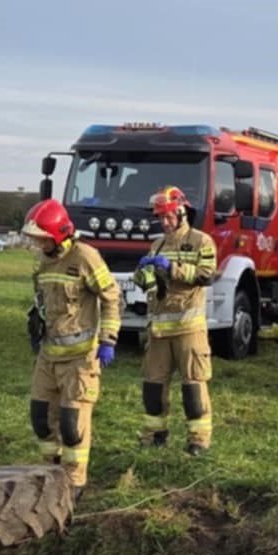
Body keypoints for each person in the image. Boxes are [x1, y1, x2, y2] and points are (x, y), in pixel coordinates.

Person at [21, 198, 120, 499]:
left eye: (41, 238)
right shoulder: (44, 261)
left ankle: (75, 483)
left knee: (72, 425)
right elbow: (44, 299)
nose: (38, 243)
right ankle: (51, 472)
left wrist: (108, 340)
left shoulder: (85, 257)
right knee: (41, 418)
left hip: (80, 358)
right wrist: (36, 319)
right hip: (48, 356)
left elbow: (111, 297)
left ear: (58, 233)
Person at [132, 186, 217, 455]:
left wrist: (172, 268)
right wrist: (142, 273)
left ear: (181, 212)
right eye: (160, 218)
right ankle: (155, 435)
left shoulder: (201, 241)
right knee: (153, 388)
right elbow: (149, 285)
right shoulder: (157, 244)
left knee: (193, 388)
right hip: (159, 331)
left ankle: (198, 440)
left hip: (189, 328)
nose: (164, 222)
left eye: (168, 216)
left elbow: (206, 275)